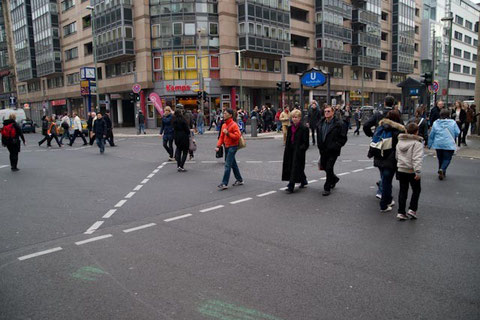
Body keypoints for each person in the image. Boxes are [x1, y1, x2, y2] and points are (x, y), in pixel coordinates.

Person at [369, 110, 405, 212]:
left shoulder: (380, 127)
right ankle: (383, 204)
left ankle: (388, 199)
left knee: (385, 179)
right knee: (387, 181)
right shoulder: (399, 130)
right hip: (391, 158)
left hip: (379, 155)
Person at [364, 96, 395, 199]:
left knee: (382, 166)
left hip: (379, 142)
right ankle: (383, 187)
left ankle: (382, 186)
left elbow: (366, 125)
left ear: (385, 103)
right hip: (392, 143)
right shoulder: (396, 114)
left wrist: (372, 135)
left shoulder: (379, 114)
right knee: (389, 166)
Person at [316, 105, 348, 196]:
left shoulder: (339, 124)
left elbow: (343, 138)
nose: (326, 113)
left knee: (329, 167)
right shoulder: (321, 123)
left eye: (328, 111)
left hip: (333, 150)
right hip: (323, 150)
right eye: (325, 111)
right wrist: (319, 145)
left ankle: (327, 187)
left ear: (333, 112)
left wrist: (336, 146)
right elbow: (319, 135)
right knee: (325, 167)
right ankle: (333, 179)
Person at [395, 123, 424, 221]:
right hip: (411, 170)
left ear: (406, 131)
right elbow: (417, 158)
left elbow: (397, 156)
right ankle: (412, 209)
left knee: (403, 190)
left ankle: (401, 212)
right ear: (417, 132)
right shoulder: (417, 143)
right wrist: (418, 171)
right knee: (416, 190)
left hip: (401, 169)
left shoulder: (399, 142)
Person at [282, 109, 309, 193]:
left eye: (296, 117)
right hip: (290, 150)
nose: (294, 119)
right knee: (293, 166)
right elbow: (288, 139)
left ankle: (291, 185)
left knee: (295, 167)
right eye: (293, 117)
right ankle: (303, 180)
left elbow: (306, 143)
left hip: (299, 151)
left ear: (300, 118)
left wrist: (301, 149)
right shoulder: (290, 128)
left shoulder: (304, 128)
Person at [428, 109, 460, 180]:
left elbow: (432, 134)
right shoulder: (453, 122)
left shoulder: (435, 123)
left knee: (440, 159)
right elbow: (457, 132)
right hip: (449, 144)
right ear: (449, 115)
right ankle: (442, 169)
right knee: (447, 158)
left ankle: (442, 172)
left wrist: (429, 144)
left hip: (438, 144)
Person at [216, 108, 243, 190]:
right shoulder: (224, 125)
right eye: (223, 113)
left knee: (227, 165)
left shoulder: (234, 125)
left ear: (230, 115)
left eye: (225, 113)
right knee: (233, 164)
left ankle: (224, 183)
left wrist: (228, 133)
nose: (223, 115)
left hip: (233, 146)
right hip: (227, 146)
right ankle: (239, 179)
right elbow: (221, 137)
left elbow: (237, 136)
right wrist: (218, 146)